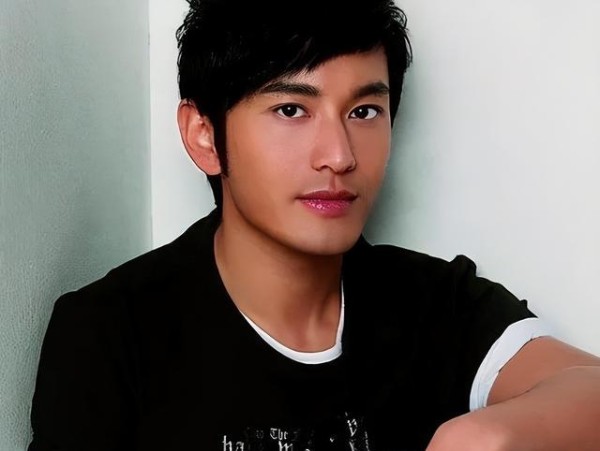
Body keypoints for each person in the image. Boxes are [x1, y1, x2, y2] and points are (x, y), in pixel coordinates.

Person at [28, 0, 600, 450]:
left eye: (364, 111)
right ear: (205, 136)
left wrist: (484, 436)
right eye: (291, 110)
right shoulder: (110, 334)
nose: (339, 155)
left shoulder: (436, 305)